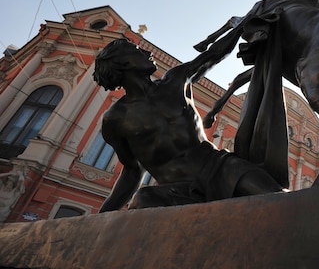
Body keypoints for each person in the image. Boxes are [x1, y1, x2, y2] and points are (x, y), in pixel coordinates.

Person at [93, 38, 283, 212]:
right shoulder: (115, 119)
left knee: (280, 201)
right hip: (178, 189)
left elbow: (214, 54)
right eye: (136, 50)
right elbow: (132, 170)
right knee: (143, 199)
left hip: (221, 168)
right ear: (123, 62)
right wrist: (102, 216)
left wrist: (242, 24)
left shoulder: (175, 80)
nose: (146, 52)